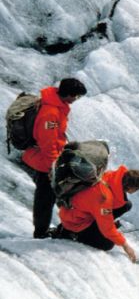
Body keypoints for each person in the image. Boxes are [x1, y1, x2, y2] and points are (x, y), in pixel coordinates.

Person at [22, 78, 87, 238]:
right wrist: (53, 168)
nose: (75, 100)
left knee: (48, 197)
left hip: (50, 158)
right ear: (68, 95)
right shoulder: (50, 114)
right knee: (44, 199)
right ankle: (40, 232)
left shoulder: (57, 105)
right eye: (76, 96)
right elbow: (47, 144)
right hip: (45, 162)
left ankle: (43, 229)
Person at [55, 170, 139, 263]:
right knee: (107, 244)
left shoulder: (111, 176)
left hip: (80, 210)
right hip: (75, 222)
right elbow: (106, 228)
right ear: (131, 188)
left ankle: (99, 224)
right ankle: (69, 233)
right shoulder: (104, 199)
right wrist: (125, 245)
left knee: (125, 205)